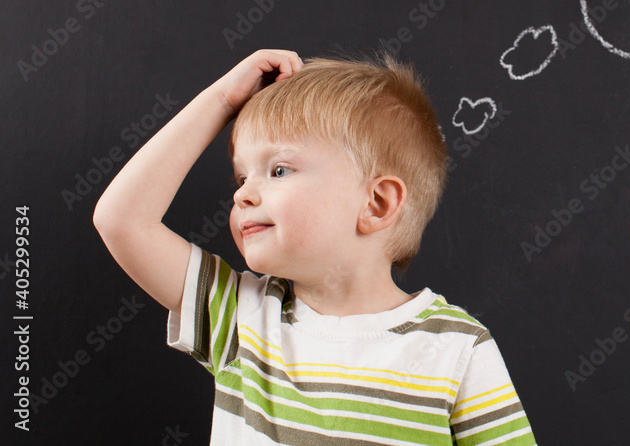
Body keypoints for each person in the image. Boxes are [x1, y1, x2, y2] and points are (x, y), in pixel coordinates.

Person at [93, 48, 536, 445]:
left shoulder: (457, 350)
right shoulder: (243, 318)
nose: (242, 194)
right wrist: (223, 100)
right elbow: (121, 220)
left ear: (377, 204)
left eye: (279, 170)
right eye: (242, 177)